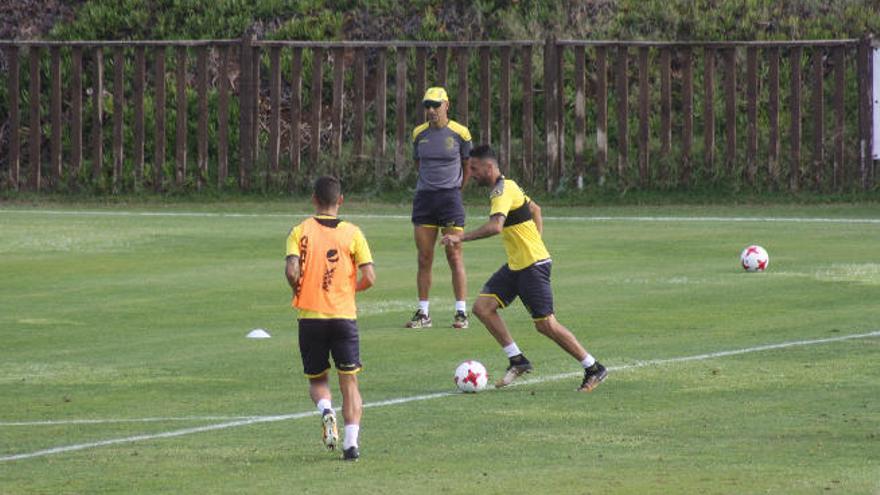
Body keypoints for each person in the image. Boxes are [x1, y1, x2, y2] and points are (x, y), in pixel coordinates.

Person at [441, 145, 607, 392]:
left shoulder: (501, 191)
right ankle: (517, 360)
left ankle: (593, 367)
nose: (471, 173)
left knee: (546, 325)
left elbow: (496, 226)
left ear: (489, 167)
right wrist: (536, 241)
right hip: (518, 264)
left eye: (474, 168)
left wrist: (460, 238)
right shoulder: (510, 185)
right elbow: (536, 209)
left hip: (532, 266)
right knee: (482, 308)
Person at [285, 176, 376, 461]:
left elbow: (291, 270)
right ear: (341, 201)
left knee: (318, 379)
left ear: (314, 199)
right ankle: (351, 445)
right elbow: (370, 278)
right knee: (349, 382)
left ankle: (326, 411)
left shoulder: (299, 231)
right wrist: (349, 290)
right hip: (343, 317)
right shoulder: (353, 233)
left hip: (310, 316)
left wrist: (298, 287)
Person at [406, 87, 473, 329]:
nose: (431, 110)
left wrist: (455, 191)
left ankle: (461, 313)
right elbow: (418, 164)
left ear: (447, 104)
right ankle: (423, 314)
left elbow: (468, 166)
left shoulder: (460, 133)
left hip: (450, 200)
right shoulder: (418, 134)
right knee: (424, 257)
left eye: (435, 105)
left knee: (454, 255)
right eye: (427, 106)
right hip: (424, 199)